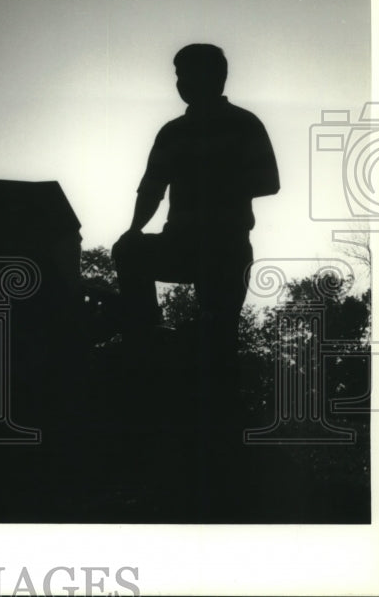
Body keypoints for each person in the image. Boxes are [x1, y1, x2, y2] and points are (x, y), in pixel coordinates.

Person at [112, 43, 279, 499]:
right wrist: (132, 231)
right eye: (178, 75)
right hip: (181, 244)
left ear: (216, 78)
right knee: (129, 254)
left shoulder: (244, 124)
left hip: (225, 247)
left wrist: (212, 180)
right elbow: (151, 187)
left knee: (219, 339)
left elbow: (269, 181)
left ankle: (221, 447)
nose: (181, 82)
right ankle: (144, 337)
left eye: (187, 74)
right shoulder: (172, 132)